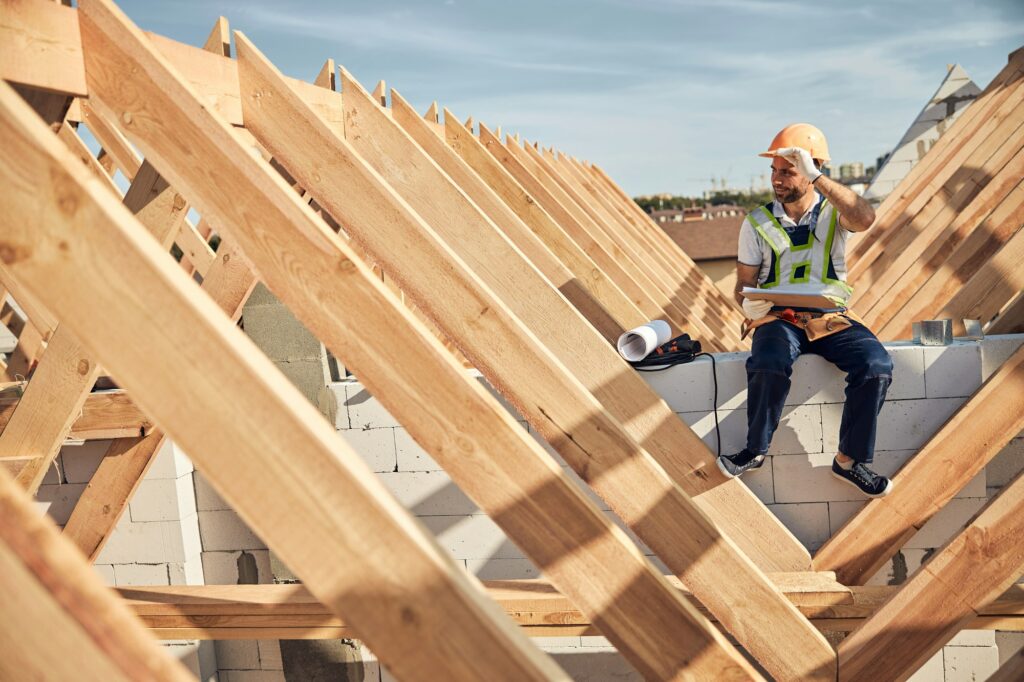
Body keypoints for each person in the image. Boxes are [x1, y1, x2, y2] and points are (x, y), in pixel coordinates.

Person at [716, 123, 894, 498]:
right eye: (774, 171)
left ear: (812, 170)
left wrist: (819, 179)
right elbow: (741, 284)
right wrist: (748, 303)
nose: (776, 180)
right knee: (767, 361)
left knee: (876, 366)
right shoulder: (757, 223)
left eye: (787, 171)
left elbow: (865, 218)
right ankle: (756, 449)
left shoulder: (835, 212)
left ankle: (849, 461)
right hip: (780, 318)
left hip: (829, 318)